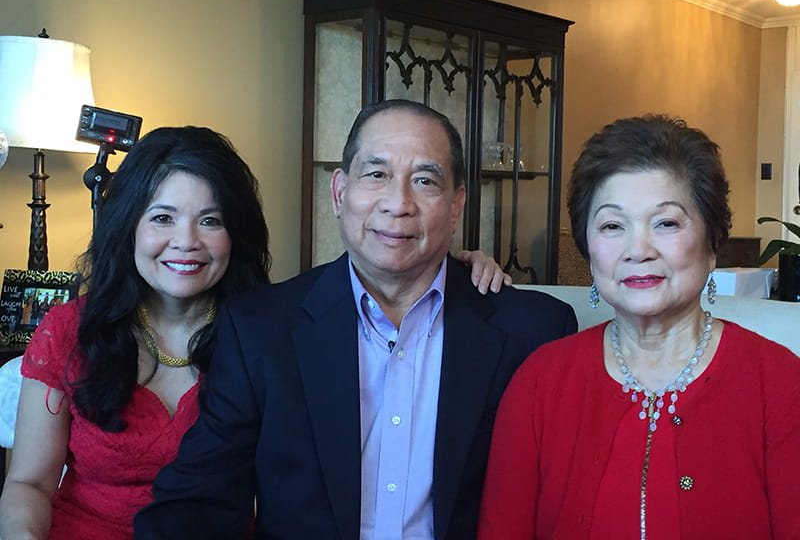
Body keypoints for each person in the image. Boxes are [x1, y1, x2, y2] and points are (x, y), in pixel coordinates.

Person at [0, 124, 509, 540]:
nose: (186, 242)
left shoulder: (265, 330)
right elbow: (28, 482)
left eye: (210, 221)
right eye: (162, 217)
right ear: (128, 226)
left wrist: (456, 270)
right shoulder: (72, 329)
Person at [134, 99, 578, 540]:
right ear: (339, 193)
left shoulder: (532, 332)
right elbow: (198, 500)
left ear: (457, 204)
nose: (398, 203)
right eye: (376, 174)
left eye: (424, 180)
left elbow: (560, 507)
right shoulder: (260, 330)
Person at [478, 115, 800, 539]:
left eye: (666, 223)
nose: (638, 250)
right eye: (613, 226)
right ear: (589, 251)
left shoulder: (778, 382)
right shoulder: (540, 381)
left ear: (711, 244)